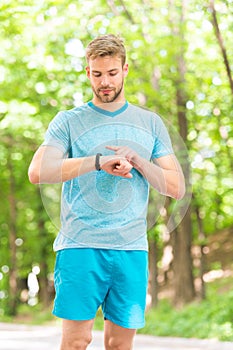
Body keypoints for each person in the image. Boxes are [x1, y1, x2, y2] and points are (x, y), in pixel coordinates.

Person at [28, 34, 185, 350]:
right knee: (76, 341)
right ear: (88, 73)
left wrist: (139, 161)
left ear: (125, 69)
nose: (105, 82)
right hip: (80, 246)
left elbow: (176, 187)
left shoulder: (150, 123)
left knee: (119, 345)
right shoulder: (69, 121)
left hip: (131, 250)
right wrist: (97, 162)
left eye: (112, 73)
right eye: (97, 74)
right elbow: (38, 172)